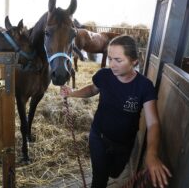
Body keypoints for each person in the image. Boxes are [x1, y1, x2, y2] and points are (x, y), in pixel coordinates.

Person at [61, 35, 171, 188]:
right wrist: (73, 92)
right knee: (100, 178)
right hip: (98, 136)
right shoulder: (104, 75)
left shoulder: (144, 86)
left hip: (124, 143)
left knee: (115, 173)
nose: (112, 64)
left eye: (118, 60)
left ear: (134, 61)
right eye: (110, 58)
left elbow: (153, 123)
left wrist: (152, 154)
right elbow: (92, 89)